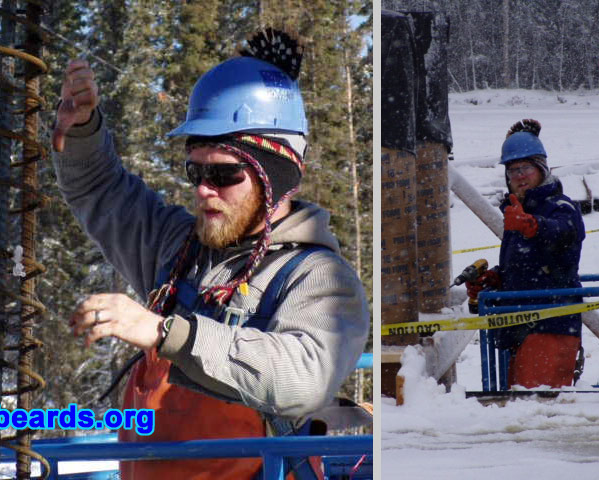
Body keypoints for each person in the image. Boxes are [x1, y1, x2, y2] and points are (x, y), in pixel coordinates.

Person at [52, 29, 370, 479]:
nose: (203, 189)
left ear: (275, 174)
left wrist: (167, 333)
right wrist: (82, 129)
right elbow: (100, 192)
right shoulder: (179, 249)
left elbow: (304, 377)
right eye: (194, 169)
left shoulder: (318, 277)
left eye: (223, 173)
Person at [466, 119, 585, 389]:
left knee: (536, 412)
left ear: (542, 168)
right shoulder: (516, 211)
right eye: (513, 170)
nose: (520, 176)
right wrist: (496, 279)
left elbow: (563, 233)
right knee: (519, 404)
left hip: (551, 325)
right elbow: (525, 263)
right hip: (521, 325)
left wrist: (533, 226)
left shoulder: (560, 207)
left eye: (526, 168)